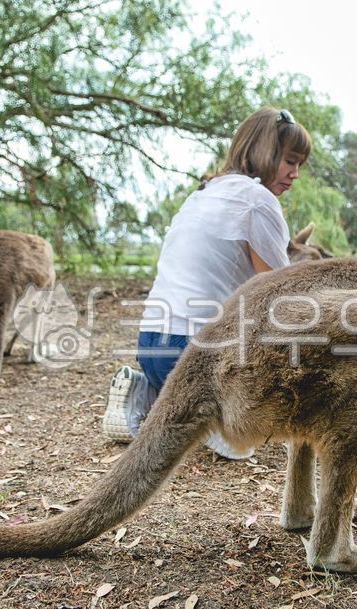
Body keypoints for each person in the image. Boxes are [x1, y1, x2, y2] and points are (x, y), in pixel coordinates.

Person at [102, 106, 312, 458]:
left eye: (299, 165)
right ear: (264, 152)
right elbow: (280, 294)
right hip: (197, 354)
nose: (295, 174)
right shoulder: (258, 200)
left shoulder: (201, 194)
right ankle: (220, 421)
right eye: (290, 161)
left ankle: (145, 393)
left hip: (152, 343)